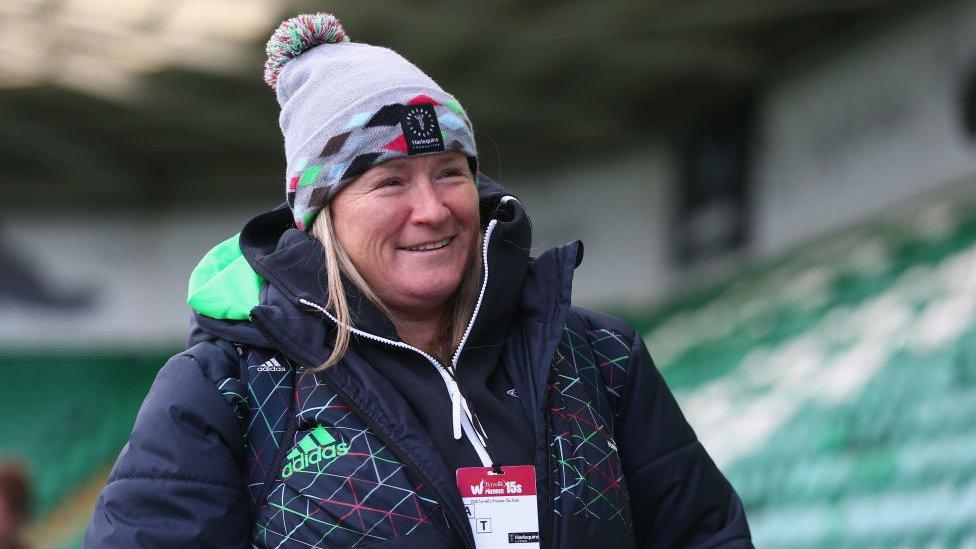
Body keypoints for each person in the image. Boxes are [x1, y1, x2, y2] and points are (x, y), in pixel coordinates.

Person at [85, 12, 751, 548]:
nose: (432, 209)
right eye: (390, 182)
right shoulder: (227, 389)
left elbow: (707, 534)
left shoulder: (602, 361)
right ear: (323, 213)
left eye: (450, 173)